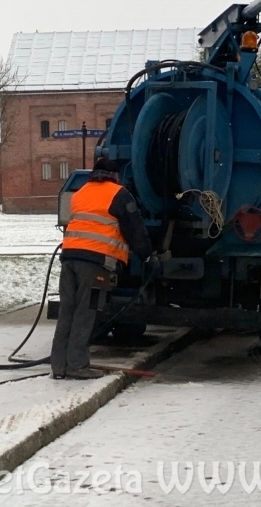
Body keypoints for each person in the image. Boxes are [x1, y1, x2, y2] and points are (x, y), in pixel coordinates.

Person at [51, 158, 152, 380]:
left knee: (67, 311)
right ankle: (77, 365)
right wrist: (147, 255)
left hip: (69, 260)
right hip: (97, 268)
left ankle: (59, 366)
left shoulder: (81, 193)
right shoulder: (119, 194)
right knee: (87, 312)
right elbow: (135, 230)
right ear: (114, 176)